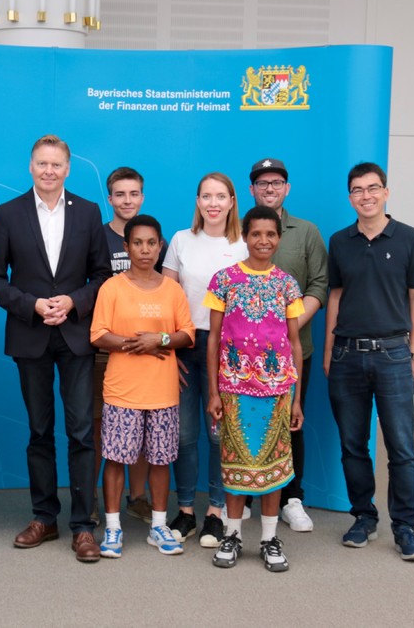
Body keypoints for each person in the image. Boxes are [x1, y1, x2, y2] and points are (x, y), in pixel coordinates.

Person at [0, 134, 112, 563]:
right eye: (41, 164)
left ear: (68, 169)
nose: (48, 171)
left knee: (81, 431)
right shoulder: (8, 213)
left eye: (56, 165)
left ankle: (83, 526)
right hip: (31, 334)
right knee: (39, 431)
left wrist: (74, 302)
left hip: (76, 335)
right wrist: (34, 305)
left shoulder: (89, 212)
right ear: (30, 166)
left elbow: (101, 276)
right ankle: (44, 517)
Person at [323, 162, 414, 562]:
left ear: (386, 192)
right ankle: (363, 517)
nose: (365, 196)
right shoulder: (340, 241)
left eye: (372, 188)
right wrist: (331, 351)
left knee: (402, 446)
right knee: (353, 445)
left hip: (393, 354)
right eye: (357, 190)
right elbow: (335, 295)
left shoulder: (408, 239)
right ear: (349, 197)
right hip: (347, 354)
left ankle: (405, 527)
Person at [205, 206, 305, 572]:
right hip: (233, 389)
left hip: (278, 392)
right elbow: (213, 339)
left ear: (279, 239)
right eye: (256, 234)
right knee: (233, 465)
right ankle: (232, 535)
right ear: (245, 236)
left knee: (274, 466)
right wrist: (214, 392)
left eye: (271, 235)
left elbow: (294, 344)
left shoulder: (287, 284)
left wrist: (296, 397)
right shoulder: (224, 280)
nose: (263, 241)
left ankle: (268, 538)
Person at [90, 215, 194, 558]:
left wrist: (160, 339)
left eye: (151, 243)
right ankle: (114, 528)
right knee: (116, 459)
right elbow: (98, 335)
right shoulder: (112, 288)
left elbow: (186, 334)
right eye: (137, 243)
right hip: (122, 391)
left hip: (163, 392)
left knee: (160, 460)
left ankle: (159, 526)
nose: (145, 250)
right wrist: (133, 344)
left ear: (160, 246)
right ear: (126, 247)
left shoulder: (172, 289)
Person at [162, 172, 248, 547]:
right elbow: (167, 297)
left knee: (217, 437)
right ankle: (185, 512)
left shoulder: (245, 245)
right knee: (183, 435)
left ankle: (215, 511)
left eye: (220, 196)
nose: (213, 203)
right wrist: (169, 350)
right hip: (184, 344)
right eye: (206, 196)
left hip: (226, 349)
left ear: (231, 201)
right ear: (197, 202)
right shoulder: (181, 240)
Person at [247, 158, 327, 532]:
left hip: (295, 348)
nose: (269, 188)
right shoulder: (239, 229)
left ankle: (292, 497)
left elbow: (318, 285)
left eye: (276, 182)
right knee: (246, 421)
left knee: (290, 421)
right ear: (252, 190)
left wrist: (286, 324)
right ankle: (247, 494)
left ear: (287, 188)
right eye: (262, 183)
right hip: (244, 356)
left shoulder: (306, 231)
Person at [95, 167, 168, 524]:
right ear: (110, 199)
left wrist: (167, 346)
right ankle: (97, 503)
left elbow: (169, 299)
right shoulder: (96, 237)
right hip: (107, 349)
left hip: (154, 355)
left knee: (144, 433)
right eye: (120, 194)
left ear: (142, 196)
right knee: (103, 430)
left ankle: (137, 497)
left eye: (134, 193)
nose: (127, 200)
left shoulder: (155, 239)